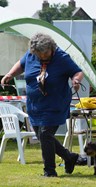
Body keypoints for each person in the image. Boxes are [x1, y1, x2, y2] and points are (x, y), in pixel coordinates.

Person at [1, 33, 84, 177]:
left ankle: (49, 171)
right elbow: (21, 64)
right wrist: (10, 74)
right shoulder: (31, 55)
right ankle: (70, 157)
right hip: (35, 105)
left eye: (45, 53)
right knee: (42, 136)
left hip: (55, 103)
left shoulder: (62, 57)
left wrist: (76, 81)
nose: (42, 56)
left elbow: (77, 72)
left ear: (51, 48)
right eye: (39, 54)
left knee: (45, 134)